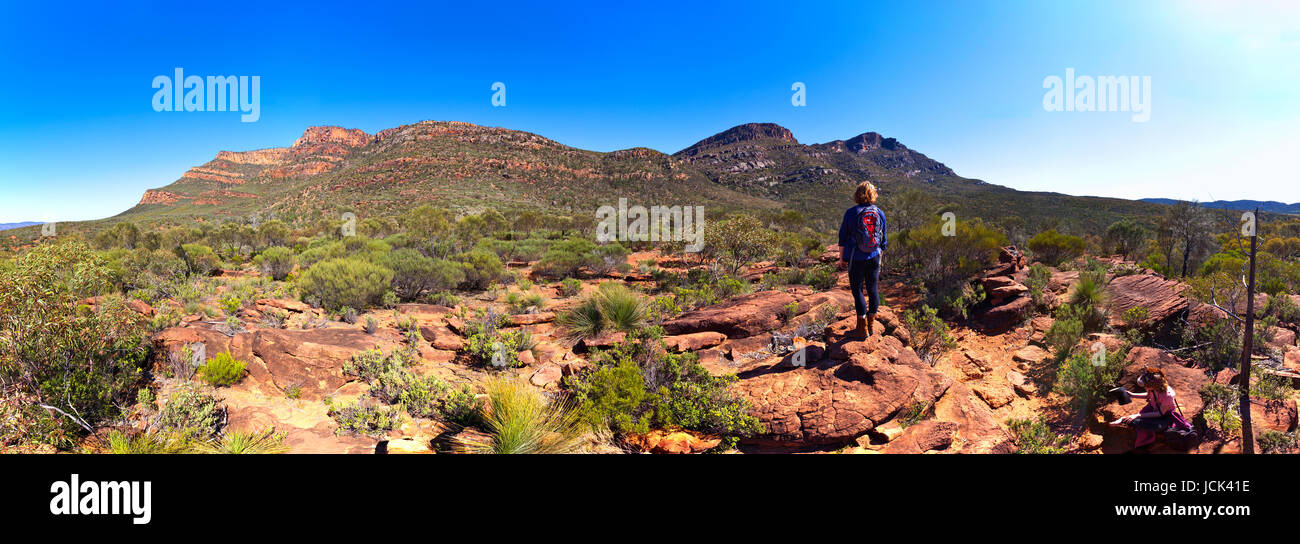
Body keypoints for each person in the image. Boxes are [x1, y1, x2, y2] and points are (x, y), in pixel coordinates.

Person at [837, 181, 887, 339]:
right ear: (873, 195)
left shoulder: (851, 213)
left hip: (856, 257)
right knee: (873, 289)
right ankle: (871, 325)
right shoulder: (879, 212)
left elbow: (843, 238)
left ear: (857, 194)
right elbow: (883, 240)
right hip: (874, 256)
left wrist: (841, 259)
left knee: (857, 290)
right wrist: (879, 257)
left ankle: (862, 327)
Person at [1108, 367, 1194, 450]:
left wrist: (1137, 415)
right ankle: (1127, 421)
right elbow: (1148, 395)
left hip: (1164, 416)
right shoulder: (1154, 387)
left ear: (1152, 385)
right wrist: (1131, 394)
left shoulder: (1168, 395)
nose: (1145, 388)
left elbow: (1160, 413)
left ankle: (1125, 421)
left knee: (1141, 422)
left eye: (1146, 386)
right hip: (1152, 408)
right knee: (1136, 420)